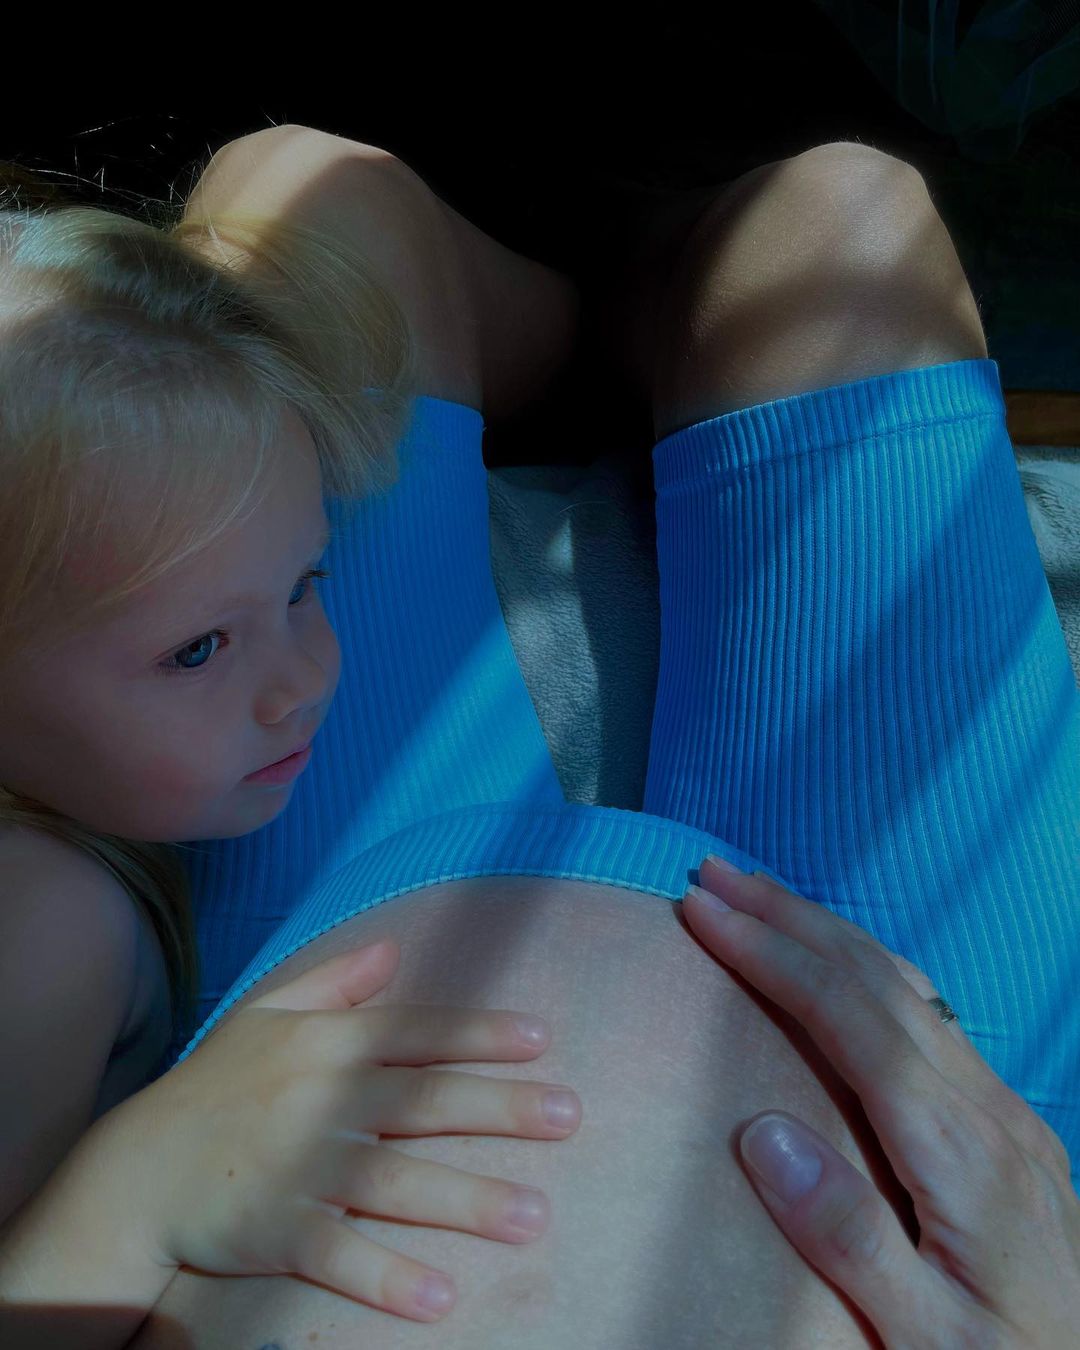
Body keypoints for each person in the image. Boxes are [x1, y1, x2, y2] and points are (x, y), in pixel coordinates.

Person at [0, 124, 1076, 1347]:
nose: (304, 675)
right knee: (844, 216)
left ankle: (604, 313)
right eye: (201, 649)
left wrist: (124, 1199)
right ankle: (644, 301)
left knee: (305, 199)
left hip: (320, 962)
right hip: (957, 1124)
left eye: (310, 583)